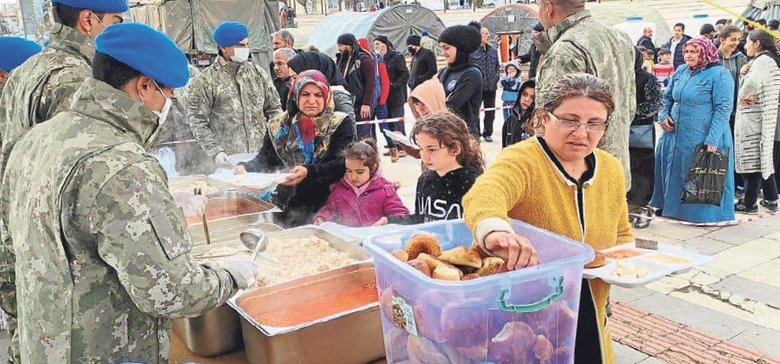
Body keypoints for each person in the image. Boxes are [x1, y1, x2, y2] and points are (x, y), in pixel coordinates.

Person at [0, 23, 256, 363]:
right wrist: (232, 276)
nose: (168, 105)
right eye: (168, 94)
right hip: (106, 349)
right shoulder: (122, 165)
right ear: (144, 86)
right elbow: (171, 292)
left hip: (43, 344)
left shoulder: (35, 139)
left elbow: (8, 252)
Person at [463, 73, 632, 364]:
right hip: (529, 317)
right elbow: (486, 193)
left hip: (590, 304)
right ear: (544, 117)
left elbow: (622, 234)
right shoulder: (522, 160)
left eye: (594, 123)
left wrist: (629, 263)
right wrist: (496, 232)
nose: (582, 133)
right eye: (569, 120)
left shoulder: (611, 169)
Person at [0, 2, 126, 362]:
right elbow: (88, 168)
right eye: (115, 22)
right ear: (89, 20)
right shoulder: (74, 79)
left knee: (29, 335)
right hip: (63, 248)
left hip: (22, 228)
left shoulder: (29, 68)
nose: (118, 31)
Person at [534, 0, 636, 187]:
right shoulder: (619, 38)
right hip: (615, 171)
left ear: (548, 8)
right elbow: (629, 106)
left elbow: (549, 126)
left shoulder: (565, 50)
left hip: (577, 180)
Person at [235, 70, 356, 227]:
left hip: (327, 205)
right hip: (287, 203)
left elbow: (342, 163)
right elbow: (266, 158)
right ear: (295, 95)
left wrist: (309, 172)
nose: (312, 100)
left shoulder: (339, 123)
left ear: (327, 96)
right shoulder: (278, 125)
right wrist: (245, 167)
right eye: (305, 94)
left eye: (318, 95)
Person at [651, 37, 736, 223]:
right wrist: (663, 116)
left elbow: (723, 109)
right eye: (686, 52)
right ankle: (671, 207)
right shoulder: (681, 71)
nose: (688, 55)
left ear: (704, 53)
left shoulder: (720, 75)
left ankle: (699, 214)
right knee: (674, 168)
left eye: (693, 52)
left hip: (702, 133)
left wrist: (712, 139)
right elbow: (667, 98)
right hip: (674, 134)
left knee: (698, 171)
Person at [188, 21, 283, 169]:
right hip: (228, 160)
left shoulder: (258, 74)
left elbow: (274, 110)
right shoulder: (205, 81)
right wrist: (215, 151)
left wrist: (277, 143)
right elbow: (197, 121)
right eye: (240, 45)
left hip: (260, 158)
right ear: (224, 47)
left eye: (246, 44)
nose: (245, 49)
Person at [382, 112, 484, 225]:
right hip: (430, 241)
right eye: (421, 149)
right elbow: (420, 219)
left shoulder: (473, 182)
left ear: (455, 149)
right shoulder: (425, 179)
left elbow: (482, 224)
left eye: (432, 149)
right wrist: (391, 221)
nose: (423, 156)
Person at [734, 30, 780, 213]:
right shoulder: (768, 61)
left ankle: (748, 203)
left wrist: (741, 94)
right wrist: (744, 73)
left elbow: (752, 84)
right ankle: (770, 199)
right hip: (764, 117)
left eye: (747, 42)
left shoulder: (762, 62)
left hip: (754, 119)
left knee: (751, 162)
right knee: (763, 160)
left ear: (757, 43)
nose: (745, 46)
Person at [313, 139, 409, 227]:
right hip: (348, 241)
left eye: (359, 172)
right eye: (349, 171)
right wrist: (321, 217)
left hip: (374, 240)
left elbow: (401, 215)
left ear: (373, 168)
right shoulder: (338, 190)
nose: (353, 177)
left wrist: (389, 220)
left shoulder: (385, 191)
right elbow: (330, 209)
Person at [628, 47, 663, 229]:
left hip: (641, 132)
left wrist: (630, 113)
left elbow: (655, 103)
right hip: (620, 131)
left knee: (642, 171)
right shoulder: (618, 78)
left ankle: (642, 209)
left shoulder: (648, 79)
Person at [437, 22, 484, 137]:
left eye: (447, 48)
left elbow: (451, 105)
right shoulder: (444, 72)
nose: (443, 53)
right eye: (441, 48)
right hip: (444, 132)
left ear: (460, 48)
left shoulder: (472, 74)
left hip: (464, 135)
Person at [718, 25, 749, 192]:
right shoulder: (713, 58)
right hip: (717, 110)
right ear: (722, 40)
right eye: (732, 39)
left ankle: (734, 183)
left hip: (735, 111)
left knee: (733, 147)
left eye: (738, 39)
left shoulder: (740, 58)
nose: (736, 43)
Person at [286, 50, 356, 122]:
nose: (292, 83)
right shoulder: (296, 94)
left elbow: (349, 128)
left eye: (295, 77)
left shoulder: (338, 96)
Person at [374, 36, 410, 159]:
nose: (376, 46)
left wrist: (394, 85)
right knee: (388, 123)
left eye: (378, 43)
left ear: (385, 44)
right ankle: (392, 146)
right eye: (375, 44)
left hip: (396, 96)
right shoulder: (378, 58)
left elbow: (405, 74)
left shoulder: (396, 56)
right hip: (385, 97)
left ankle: (403, 147)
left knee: (397, 123)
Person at [336, 33, 376, 139]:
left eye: (340, 45)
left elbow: (371, 83)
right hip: (347, 102)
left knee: (364, 136)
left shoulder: (364, 60)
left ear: (348, 46)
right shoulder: (341, 59)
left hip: (361, 104)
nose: (339, 48)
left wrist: (366, 103)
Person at [471, 26, 501, 142]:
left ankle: (487, 133)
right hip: (477, 88)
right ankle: (476, 133)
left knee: (490, 112)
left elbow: (497, 66)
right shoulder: (473, 51)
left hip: (491, 87)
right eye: (485, 34)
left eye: (488, 34)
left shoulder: (493, 50)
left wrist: (496, 77)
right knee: (475, 112)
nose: (488, 36)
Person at [502, 79, 536, 147]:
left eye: (532, 97)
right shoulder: (510, 119)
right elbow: (504, 148)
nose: (527, 99)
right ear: (520, 94)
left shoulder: (537, 121)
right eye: (524, 94)